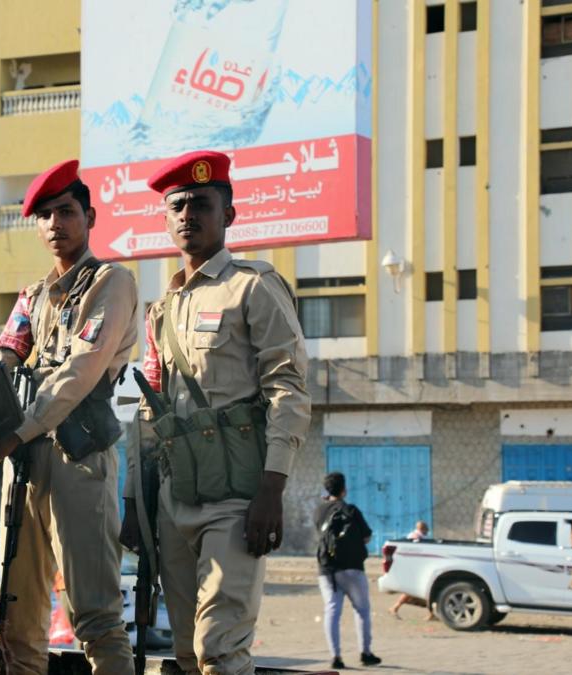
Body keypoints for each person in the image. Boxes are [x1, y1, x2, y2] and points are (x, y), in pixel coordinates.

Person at [131, 150, 311, 675]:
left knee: (221, 648)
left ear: (228, 215)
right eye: (178, 205)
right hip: (175, 495)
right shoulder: (161, 309)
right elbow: (150, 407)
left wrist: (272, 488)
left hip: (237, 496)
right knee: (186, 653)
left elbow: (290, 388)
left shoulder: (252, 286)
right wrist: (134, 502)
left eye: (202, 204)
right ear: (166, 219)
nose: (189, 214)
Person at [0, 158, 138, 674]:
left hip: (78, 459)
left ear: (89, 217)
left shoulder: (111, 282)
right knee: (17, 619)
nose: (54, 224)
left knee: (95, 617)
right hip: (24, 462)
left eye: (65, 211)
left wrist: (13, 434)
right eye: (43, 215)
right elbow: (2, 364)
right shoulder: (33, 296)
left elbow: (80, 371)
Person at [314, 472, 381, 670]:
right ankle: (365, 653)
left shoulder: (319, 511)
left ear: (327, 490)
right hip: (352, 568)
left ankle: (336, 657)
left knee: (332, 611)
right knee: (362, 610)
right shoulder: (351, 510)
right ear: (344, 489)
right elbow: (367, 537)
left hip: (327, 569)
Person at [389, 522, 434, 619]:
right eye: (427, 529)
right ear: (423, 529)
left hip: (417, 568)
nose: (428, 531)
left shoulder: (415, 536)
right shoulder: (416, 537)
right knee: (419, 592)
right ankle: (395, 608)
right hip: (416, 569)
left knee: (423, 592)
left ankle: (431, 614)